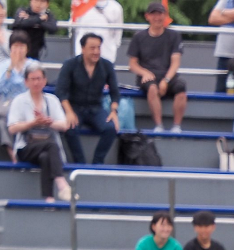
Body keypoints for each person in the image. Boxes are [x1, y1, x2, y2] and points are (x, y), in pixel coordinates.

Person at [4, 61, 70, 202]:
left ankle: (49, 198)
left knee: (45, 156)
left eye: (39, 79)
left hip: (45, 146)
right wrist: (33, 123)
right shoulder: (19, 101)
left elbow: (64, 125)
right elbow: (12, 128)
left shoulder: (52, 100)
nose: (36, 82)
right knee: (52, 145)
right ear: (26, 82)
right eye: (32, 79)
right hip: (26, 147)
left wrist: (49, 122)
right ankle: (61, 183)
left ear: (45, 81)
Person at [57, 32, 120, 165]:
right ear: (83, 49)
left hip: (96, 107)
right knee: (70, 128)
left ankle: (98, 162)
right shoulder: (70, 64)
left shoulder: (106, 65)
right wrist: (68, 111)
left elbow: (115, 92)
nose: (96, 51)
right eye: (92, 48)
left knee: (110, 128)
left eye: (98, 47)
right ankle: (80, 163)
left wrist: (114, 111)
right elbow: (61, 91)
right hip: (75, 107)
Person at [127, 1, 186, 132]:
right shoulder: (139, 37)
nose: (157, 18)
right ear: (147, 16)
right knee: (152, 88)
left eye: (160, 14)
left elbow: (176, 62)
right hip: (149, 76)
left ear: (165, 16)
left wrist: (166, 80)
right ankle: (158, 126)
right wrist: (144, 73)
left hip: (168, 75)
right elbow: (132, 64)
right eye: (153, 14)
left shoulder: (174, 36)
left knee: (181, 87)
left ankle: (177, 126)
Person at [0, 31, 30, 151]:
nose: (18, 50)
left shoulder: (33, 65)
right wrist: (10, 69)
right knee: (1, 122)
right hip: (7, 106)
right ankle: (13, 158)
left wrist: (20, 72)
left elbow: (32, 87)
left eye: (22, 46)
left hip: (27, 105)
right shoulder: (3, 65)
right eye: (15, 46)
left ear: (27, 48)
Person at [74, 0, 123, 65]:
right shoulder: (80, 3)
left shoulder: (116, 7)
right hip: (82, 55)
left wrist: (114, 46)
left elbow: (118, 33)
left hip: (107, 55)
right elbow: (74, 27)